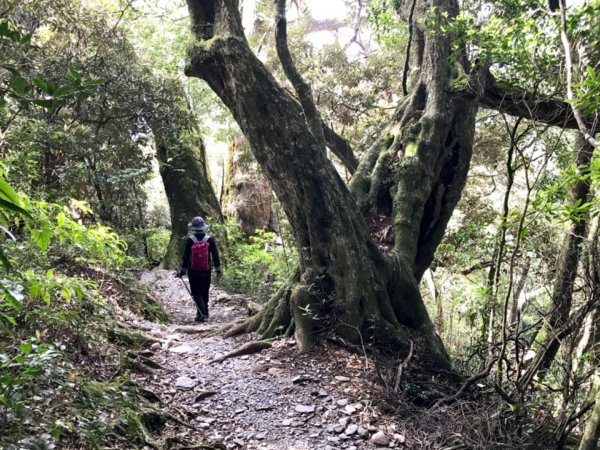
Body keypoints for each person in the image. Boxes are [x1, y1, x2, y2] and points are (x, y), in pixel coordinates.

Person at [175, 216, 222, 322]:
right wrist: (218, 271)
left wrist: (182, 272)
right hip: (206, 271)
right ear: (203, 227)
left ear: (194, 228)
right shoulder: (210, 240)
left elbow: (186, 257)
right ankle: (204, 312)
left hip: (193, 272)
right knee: (205, 291)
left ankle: (202, 313)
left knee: (196, 292)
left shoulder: (190, 240)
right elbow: (215, 256)